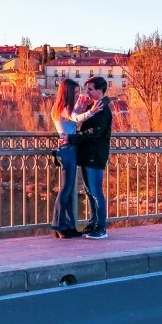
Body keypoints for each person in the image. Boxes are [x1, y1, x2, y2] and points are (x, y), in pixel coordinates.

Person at [50, 78, 105, 239]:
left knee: (68, 188)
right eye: (75, 92)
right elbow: (76, 119)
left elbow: (75, 117)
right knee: (66, 188)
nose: (78, 94)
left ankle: (66, 225)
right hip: (68, 149)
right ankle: (59, 224)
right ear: (67, 92)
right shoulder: (63, 107)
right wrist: (92, 111)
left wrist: (82, 108)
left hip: (69, 148)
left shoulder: (63, 107)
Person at [66, 77, 113, 240]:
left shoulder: (103, 109)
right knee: (89, 191)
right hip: (88, 155)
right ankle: (94, 223)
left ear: (100, 90)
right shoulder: (94, 106)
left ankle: (101, 227)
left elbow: (94, 133)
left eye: (91, 89)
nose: (88, 93)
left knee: (96, 191)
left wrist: (72, 138)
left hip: (95, 156)